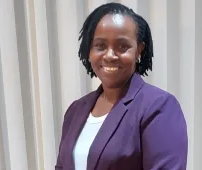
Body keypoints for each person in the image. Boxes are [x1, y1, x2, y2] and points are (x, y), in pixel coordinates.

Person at [55, 2, 188, 170]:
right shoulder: (75, 111)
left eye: (122, 46)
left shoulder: (158, 107)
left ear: (138, 50)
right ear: (89, 50)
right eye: (100, 46)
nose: (110, 55)